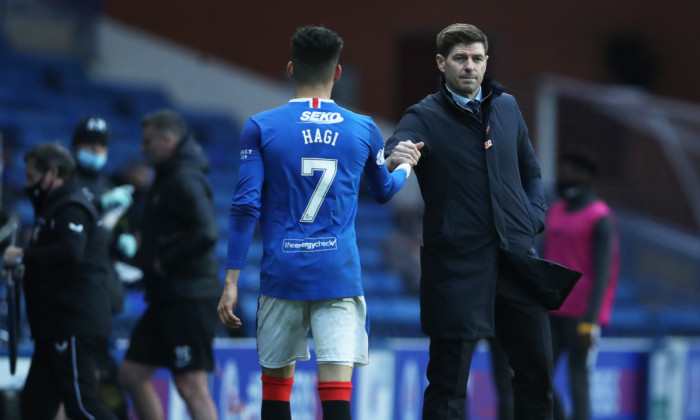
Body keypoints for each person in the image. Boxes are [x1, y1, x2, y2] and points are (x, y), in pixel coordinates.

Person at [217, 26, 418, 420]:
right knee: (336, 397)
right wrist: (404, 166)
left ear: (291, 69)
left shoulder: (260, 126)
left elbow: (244, 205)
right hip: (337, 276)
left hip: (282, 274)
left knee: (276, 393)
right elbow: (383, 191)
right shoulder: (363, 128)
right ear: (338, 73)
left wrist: (231, 279)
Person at [385, 23, 578, 420]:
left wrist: (533, 218)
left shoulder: (506, 107)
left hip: (516, 262)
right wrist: (396, 153)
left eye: (476, 58)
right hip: (458, 268)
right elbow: (398, 143)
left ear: (486, 60)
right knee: (448, 384)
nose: (469, 66)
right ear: (442, 63)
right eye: (459, 58)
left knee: (536, 377)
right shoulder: (424, 115)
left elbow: (531, 171)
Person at [117, 110, 221, 420]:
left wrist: (165, 259)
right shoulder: (166, 177)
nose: (142, 148)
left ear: (168, 140)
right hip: (165, 297)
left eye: (148, 142)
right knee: (132, 375)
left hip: (188, 298)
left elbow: (207, 232)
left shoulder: (184, 178)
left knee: (191, 385)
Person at [2, 142, 117, 419]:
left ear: (52, 173)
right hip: (54, 324)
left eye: (32, 177)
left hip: (73, 321)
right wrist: (29, 267)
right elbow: (55, 260)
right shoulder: (55, 207)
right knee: (35, 406)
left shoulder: (71, 206)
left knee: (81, 405)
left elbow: (71, 251)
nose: (28, 185)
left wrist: (23, 256)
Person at [71, 115, 137, 419]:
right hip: (78, 290)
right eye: (89, 144)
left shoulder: (108, 184)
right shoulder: (66, 183)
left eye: (101, 145)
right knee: (82, 373)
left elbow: (117, 229)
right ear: (76, 146)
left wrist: (124, 240)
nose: (96, 150)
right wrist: (98, 209)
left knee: (98, 367)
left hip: (103, 292)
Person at [545, 151, 619, 420]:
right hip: (551, 310)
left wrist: (592, 321)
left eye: (571, 170)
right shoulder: (554, 211)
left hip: (582, 316)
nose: (565, 175)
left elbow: (604, 273)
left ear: (586, 175)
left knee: (579, 379)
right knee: (538, 375)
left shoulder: (600, 216)